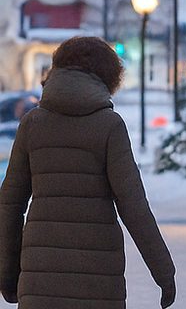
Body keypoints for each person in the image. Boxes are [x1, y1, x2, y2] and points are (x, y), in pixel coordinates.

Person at [0, 36, 176, 308]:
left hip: (40, 278)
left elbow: (9, 206)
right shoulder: (109, 126)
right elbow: (134, 206)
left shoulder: (32, 124)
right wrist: (164, 273)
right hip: (98, 280)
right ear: (108, 76)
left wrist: (8, 275)